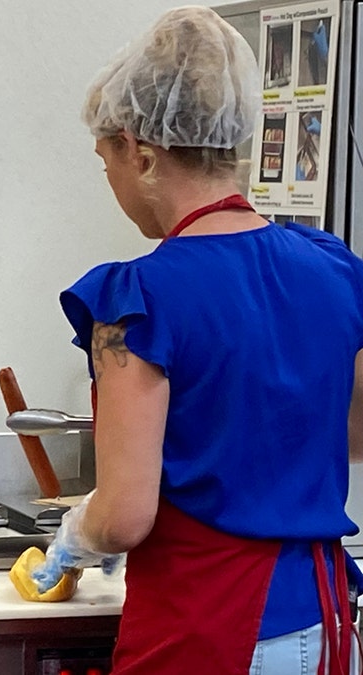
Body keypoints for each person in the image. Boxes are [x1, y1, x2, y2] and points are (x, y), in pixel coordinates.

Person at [30, 7, 363, 674]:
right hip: (324, 621)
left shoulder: (137, 300)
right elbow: (354, 433)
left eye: (107, 162)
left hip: (208, 628)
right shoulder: (334, 268)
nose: (112, 184)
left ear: (140, 151)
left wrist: (77, 534)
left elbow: (124, 516)